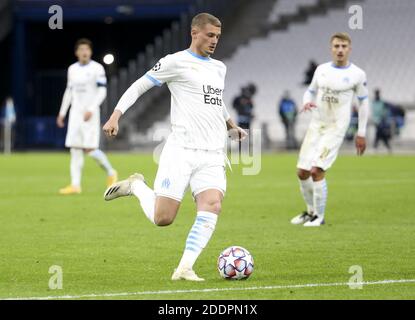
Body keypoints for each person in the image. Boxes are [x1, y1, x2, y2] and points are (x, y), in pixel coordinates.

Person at [102, 13, 247, 281]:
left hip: (213, 152)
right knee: (163, 218)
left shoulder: (219, 68)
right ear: (194, 33)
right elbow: (139, 86)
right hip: (181, 150)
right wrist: (115, 115)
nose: (214, 41)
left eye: (217, 36)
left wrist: (230, 125)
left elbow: (215, 99)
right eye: (209, 35)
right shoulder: (175, 62)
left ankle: (184, 267)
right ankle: (136, 186)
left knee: (212, 205)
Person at [291, 32, 369, 227]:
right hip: (316, 125)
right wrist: (307, 101)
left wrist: (361, 133)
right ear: (331, 48)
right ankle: (310, 212)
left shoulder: (357, 74)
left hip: (336, 128)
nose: (340, 50)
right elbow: (310, 90)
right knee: (302, 172)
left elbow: (364, 103)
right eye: (336, 46)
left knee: (317, 170)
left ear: (349, 49)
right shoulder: (322, 70)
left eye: (344, 46)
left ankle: (320, 216)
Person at [57, 38, 118, 195]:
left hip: (90, 114)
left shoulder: (97, 68)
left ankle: (111, 172)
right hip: (75, 115)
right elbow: (69, 92)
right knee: (75, 149)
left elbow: (102, 91)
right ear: (77, 53)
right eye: (81, 50)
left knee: (90, 149)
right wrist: (62, 113)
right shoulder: (72, 69)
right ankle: (75, 185)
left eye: (87, 50)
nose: (84, 52)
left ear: (90, 52)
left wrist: (92, 108)